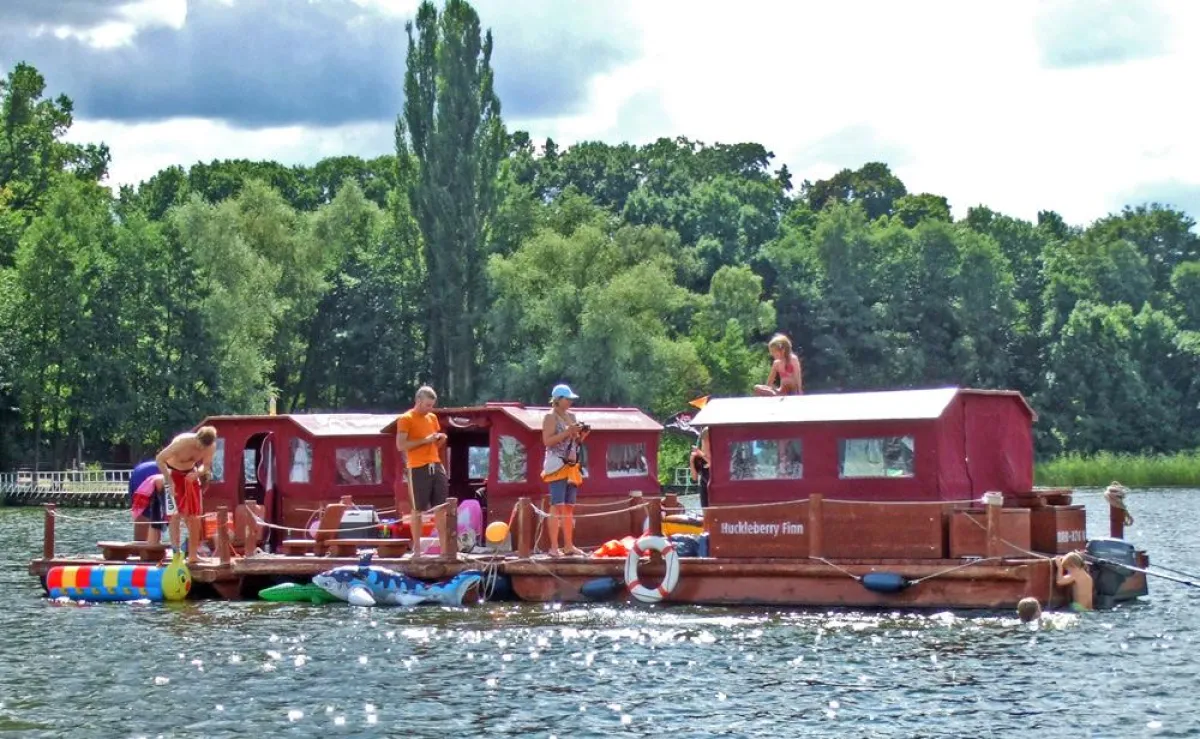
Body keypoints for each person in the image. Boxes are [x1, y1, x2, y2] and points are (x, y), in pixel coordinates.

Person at [395, 386, 448, 558]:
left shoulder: (432, 418)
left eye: (432, 405)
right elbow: (401, 445)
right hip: (417, 467)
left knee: (441, 507)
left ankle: (445, 550)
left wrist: (439, 440)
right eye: (427, 405)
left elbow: (433, 445)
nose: (430, 409)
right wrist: (425, 440)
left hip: (435, 463)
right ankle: (416, 550)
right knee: (417, 509)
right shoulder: (406, 418)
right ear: (418, 401)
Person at [156, 425, 218, 565]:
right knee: (175, 515)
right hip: (173, 474)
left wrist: (198, 473)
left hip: (190, 475)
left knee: (195, 517)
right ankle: (176, 553)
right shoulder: (182, 442)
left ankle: (193, 555)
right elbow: (159, 459)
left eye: (204, 447)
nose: (200, 450)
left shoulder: (210, 447)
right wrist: (169, 479)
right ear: (197, 437)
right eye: (199, 445)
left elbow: (206, 466)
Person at [542, 384, 590, 557]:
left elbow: (575, 442)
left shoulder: (572, 416)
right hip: (556, 465)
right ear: (558, 400)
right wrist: (567, 432)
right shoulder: (550, 417)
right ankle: (554, 547)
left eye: (571, 399)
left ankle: (569, 546)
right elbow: (547, 442)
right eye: (567, 398)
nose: (570, 401)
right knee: (557, 505)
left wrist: (581, 435)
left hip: (571, 465)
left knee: (569, 507)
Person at [128, 459, 163, 543]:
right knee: (149, 511)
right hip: (154, 472)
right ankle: (146, 545)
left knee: (143, 511)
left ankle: (141, 545)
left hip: (140, 470)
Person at [689, 427, 712, 508]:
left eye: (707, 440)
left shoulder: (715, 452)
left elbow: (713, 463)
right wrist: (691, 462)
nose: (706, 443)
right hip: (704, 485)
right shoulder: (698, 456)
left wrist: (702, 454)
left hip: (715, 486)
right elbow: (694, 477)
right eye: (704, 441)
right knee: (705, 509)